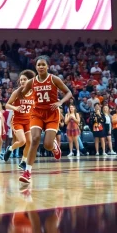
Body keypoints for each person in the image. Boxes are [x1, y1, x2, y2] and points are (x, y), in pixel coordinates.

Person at [17, 55, 72, 184]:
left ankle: (53, 146)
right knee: (35, 139)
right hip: (37, 113)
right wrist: (21, 89)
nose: (40, 67)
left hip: (52, 113)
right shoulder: (32, 82)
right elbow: (22, 94)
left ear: (47, 66)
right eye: (38, 65)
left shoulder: (54, 79)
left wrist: (60, 102)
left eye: (43, 64)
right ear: (36, 67)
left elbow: (68, 92)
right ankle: (27, 172)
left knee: (47, 145)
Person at [4, 70, 36, 169]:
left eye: (24, 79)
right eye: (21, 80)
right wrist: (15, 108)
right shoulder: (17, 92)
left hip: (28, 121)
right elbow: (7, 105)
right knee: (22, 141)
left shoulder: (34, 93)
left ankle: (23, 162)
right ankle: (10, 148)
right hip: (17, 120)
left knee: (30, 142)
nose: (22, 81)